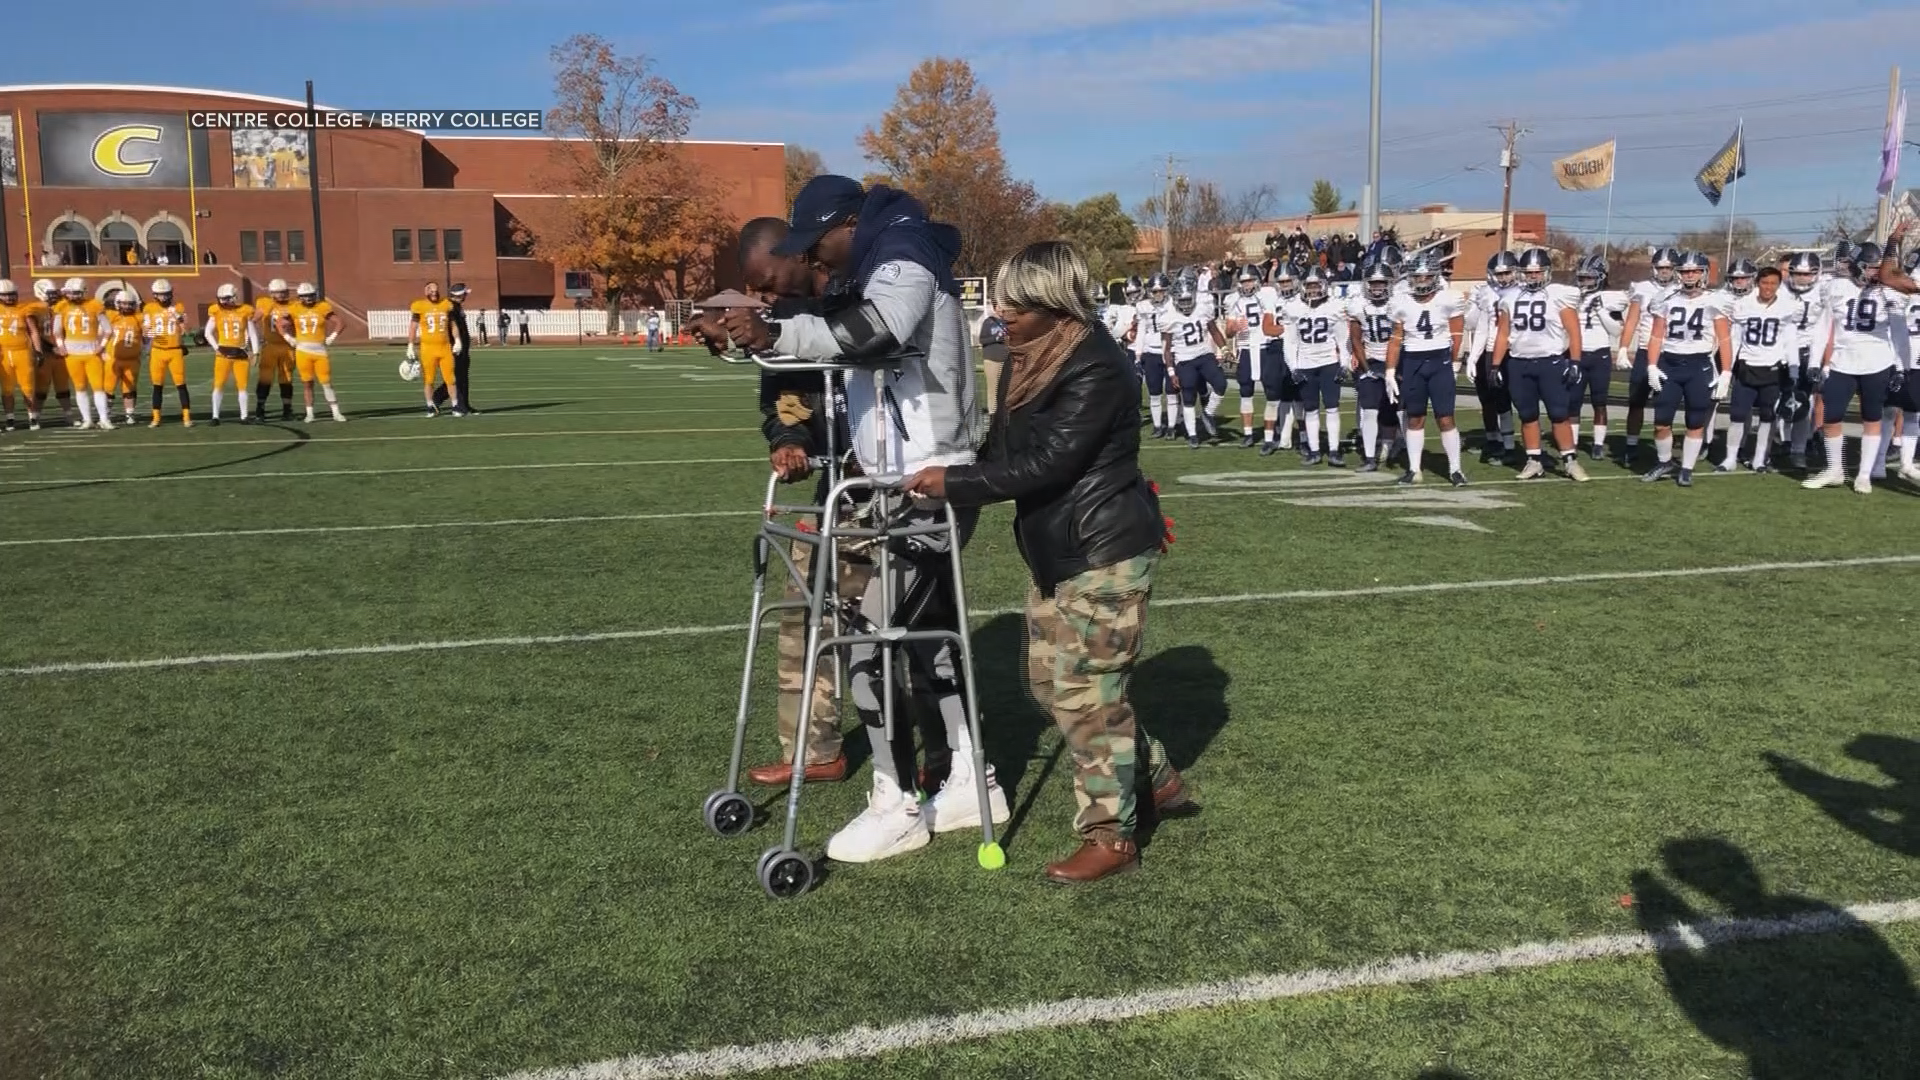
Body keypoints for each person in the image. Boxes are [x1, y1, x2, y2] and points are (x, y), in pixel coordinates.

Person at [719, 175, 1003, 864]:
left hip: (930, 478)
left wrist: (776, 332)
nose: (817, 263)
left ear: (849, 224)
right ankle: (972, 779)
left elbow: (875, 333)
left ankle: (895, 801)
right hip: (892, 481)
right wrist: (755, 339)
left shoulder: (902, 252)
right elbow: (831, 347)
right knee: (922, 641)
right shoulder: (877, 260)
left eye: (819, 247)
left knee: (867, 634)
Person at [903, 240, 1190, 884]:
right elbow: (1004, 444)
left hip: (1102, 549)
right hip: (1057, 550)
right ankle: (1159, 779)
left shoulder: (1094, 364)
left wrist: (952, 483)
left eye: (1016, 303)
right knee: (1050, 684)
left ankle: (1111, 835)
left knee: (1087, 690)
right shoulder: (1028, 357)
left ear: (1054, 305)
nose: (1000, 311)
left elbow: (1046, 464)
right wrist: (995, 371)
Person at [1803, 236, 1917, 492]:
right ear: (1856, 265)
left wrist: (1902, 366)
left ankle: (1864, 474)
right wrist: (1814, 360)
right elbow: (1823, 327)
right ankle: (1835, 470)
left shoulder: (1889, 291)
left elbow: (1899, 331)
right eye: (1870, 267)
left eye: (1878, 267)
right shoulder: (1836, 288)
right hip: (1842, 361)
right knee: (1831, 416)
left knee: (1872, 417)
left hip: (1877, 362)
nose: (1875, 273)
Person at [1491, 247, 1590, 481]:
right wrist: (1495, 365)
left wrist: (1575, 360)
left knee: (1559, 414)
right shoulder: (1510, 297)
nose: (1533, 276)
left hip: (1551, 361)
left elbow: (1573, 331)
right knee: (1527, 415)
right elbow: (1503, 334)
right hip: (1519, 363)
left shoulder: (1558, 294)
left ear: (1547, 272)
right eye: (1528, 272)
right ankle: (1534, 461)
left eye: (1537, 272)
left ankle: (1570, 461)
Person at [1641, 251, 1732, 488]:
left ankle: (1687, 468)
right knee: (1661, 420)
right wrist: (1651, 365)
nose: (1689, 275)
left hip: (1699, 364)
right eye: (1685, 271)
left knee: (1695, 421)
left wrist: (1726, 373)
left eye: (1694, 271)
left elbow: (1724, 340)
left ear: (1703, 273)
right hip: (1670, 363)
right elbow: (1656, 336)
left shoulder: (1715, 300)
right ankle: (1664, 462)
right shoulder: (1666, 298)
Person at [1386, 254, 1468, 484]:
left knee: (1445, 417)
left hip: (1439, 360)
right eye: (1417, 277)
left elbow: (1457, 335)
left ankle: (1455, 469)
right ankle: (1414, 470)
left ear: (1435, 277)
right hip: (1412, 361)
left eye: (1426, 277)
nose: (1421, 281)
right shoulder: (1401, 301)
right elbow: (1395, 339)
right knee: (1415, 418)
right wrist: (1390, 371)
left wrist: (1454, 364)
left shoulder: (1448, 298)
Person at [1718, 265, 1797, 473]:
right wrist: (1727, 368)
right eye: (1764, 282)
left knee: (1767, 416)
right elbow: (1735, 338)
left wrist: (1794, 368)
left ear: (1779, 285)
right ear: (1757, 283)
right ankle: (1730, 458)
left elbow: (1790, 340)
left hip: (1772, 368)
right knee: (1737, 415)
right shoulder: (1744, 304)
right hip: (1747, 365)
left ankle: (1760, 459)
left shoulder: (1787, 306)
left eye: (1773, 283)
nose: (1768, 287)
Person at [281, 282, 346, 423]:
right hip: (303, 350)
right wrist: (288, 338)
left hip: (319, 350)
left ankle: (336, 412)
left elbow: (340, 322)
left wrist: (332, 337)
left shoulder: (322, 307)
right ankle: (310, 414)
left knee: (326, 383)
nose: (309, 298)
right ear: (300, 297)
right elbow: (280, 324)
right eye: (305, 296)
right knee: (307, 383)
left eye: (310, 295)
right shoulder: (294, 308)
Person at [52, 278, 111, 429]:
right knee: (79, 387)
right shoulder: (62, 306)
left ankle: (104, 419)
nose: (73, 296)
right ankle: (87, 419)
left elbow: (108, 330)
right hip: (72, 353)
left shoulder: (94, 305)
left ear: (83, 292)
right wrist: (61, 346)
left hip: (92, 352)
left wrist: (102, 346)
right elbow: (57, 331)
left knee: (98, 387)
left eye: (76, 293)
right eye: (71, 293)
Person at [203, 283, 258, 426]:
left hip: (240, 353)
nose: (223, 302)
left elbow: (252, 332)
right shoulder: (216, 311)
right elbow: (207, 332)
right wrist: (217, 347)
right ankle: (215, 416)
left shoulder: (245, 310)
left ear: (235, 297)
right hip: (224, 354)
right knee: (218, 385)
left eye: (226, 298)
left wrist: (256, 352)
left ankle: (244, 416)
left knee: (242, 386)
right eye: (221, 298)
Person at [142, 280, 193, 427]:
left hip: (175, 350)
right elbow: (146, 331)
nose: (163, 298)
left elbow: (186, 330)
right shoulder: (149, 308)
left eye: (165, 295)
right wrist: (150, 331)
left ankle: (187, 417)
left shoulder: (178, 307)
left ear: (170, 294)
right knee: (157, 385)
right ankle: (156, 417)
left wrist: (178, 317)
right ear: (155, 295)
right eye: (160, 295)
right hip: (157, 351)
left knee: (181, 385)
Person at [408, 282, 464, 416]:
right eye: (431, 291)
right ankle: (430, 406)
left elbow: (453, 325)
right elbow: (413, 326)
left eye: (436, 291)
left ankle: (455, 406)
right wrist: (410, 344)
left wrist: (457, 340)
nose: (434, 294)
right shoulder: (419, 306)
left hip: (445, 348)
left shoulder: (446, 304)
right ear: (425, 291)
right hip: (428, 349)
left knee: (451, 379)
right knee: (429, 380)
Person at [0, 278, 46, 430]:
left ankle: (32, 417)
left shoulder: (24, 309)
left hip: (22, 352)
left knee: (27, 387)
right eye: (5, 295)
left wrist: (38, 351)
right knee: (7, 389)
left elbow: (33, 332)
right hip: (3, 353)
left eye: (11, 294)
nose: (9, 298)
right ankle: (10, 418)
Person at [253, 279, 298, 421]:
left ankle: (287, 410)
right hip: (270, 346)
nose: (282, 295)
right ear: (271, 293)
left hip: (288, 346)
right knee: (265, 378)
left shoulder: (295, 304)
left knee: (287, 379)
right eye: (278, 292)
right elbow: (253, 319)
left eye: (284, 292)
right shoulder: (265, 303)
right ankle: (260, 409)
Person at [979, 310, 1009, 416]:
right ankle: (993, 412)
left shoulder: (1009, 321)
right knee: (993, 388)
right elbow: (982, 340)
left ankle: (1004, 412)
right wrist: (996, 338)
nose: (1002, 309)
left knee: (1006, 388)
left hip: (1006, 359)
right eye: (999, 306)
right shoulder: (988, 322)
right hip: (991, 358)